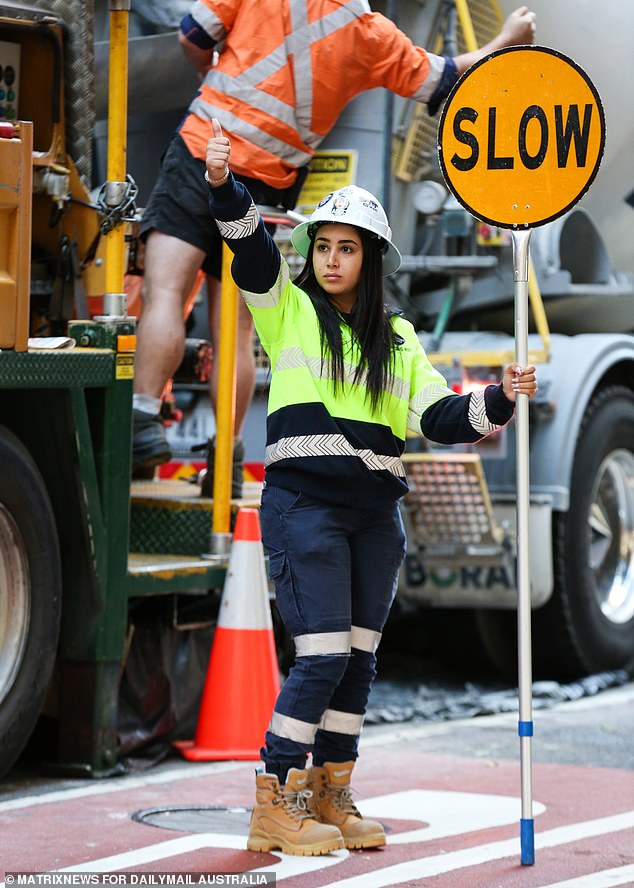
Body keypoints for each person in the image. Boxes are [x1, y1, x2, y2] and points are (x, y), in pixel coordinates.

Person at [204, 120, 538, 855]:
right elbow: (252, 250)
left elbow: (442, 416)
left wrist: (503, 399)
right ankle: (277, 796)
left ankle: (333, 792)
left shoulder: (400, 339)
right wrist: (226, 186)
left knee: (357, 659)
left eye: (345, 248)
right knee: (321, 653)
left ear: (370, 259)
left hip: (375, 515)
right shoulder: (285, 308)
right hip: (306, 510)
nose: (330, 259)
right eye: (322, 246)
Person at [132, 1, 537, 493]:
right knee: (234, 332)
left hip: (205, 148)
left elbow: (194, 35)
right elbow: (443, 75)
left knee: (166, 293)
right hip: (268, 180)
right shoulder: (370, 32)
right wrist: (506, 40)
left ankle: (143, 419)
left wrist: (214, 75)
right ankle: (227, 456)